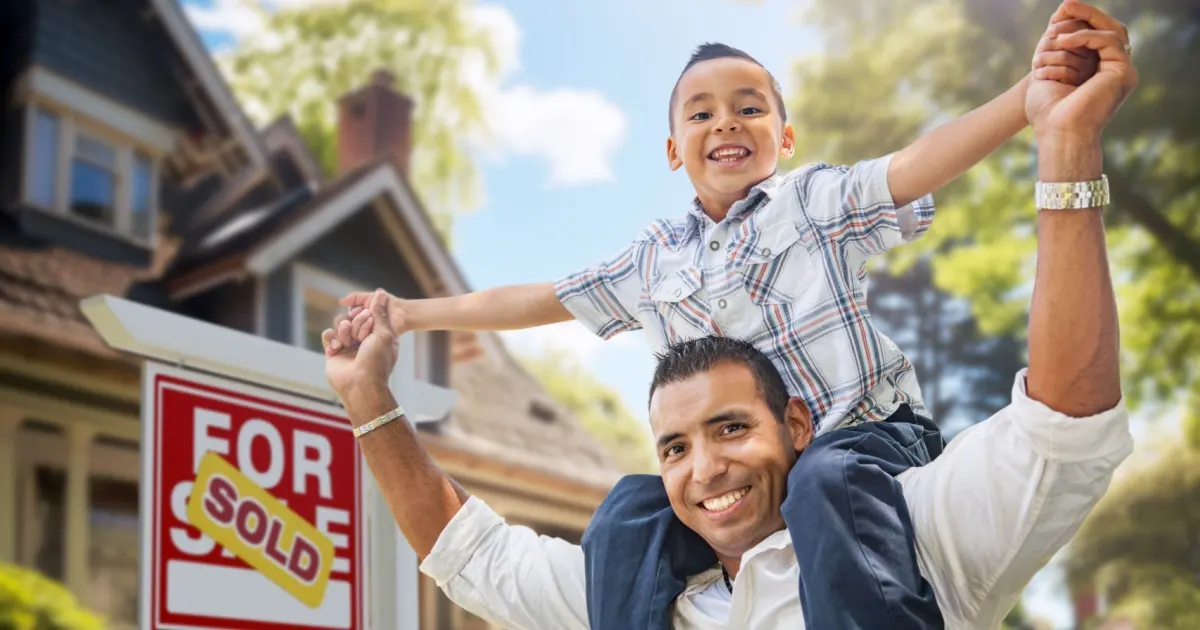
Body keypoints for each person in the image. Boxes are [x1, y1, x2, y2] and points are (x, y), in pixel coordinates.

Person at [322, 1, 1138, 626]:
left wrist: (1030, 105)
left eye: (750, 107)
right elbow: (533, 301)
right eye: (702, 113)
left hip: (869, 447)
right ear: (674, 151)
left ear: (785, 135)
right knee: (627, 512)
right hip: (796, 474)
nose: (728, 123)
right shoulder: (650, 261)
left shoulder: (815, 202)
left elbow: (918, 163)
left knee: (824, 479)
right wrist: (412, 314)